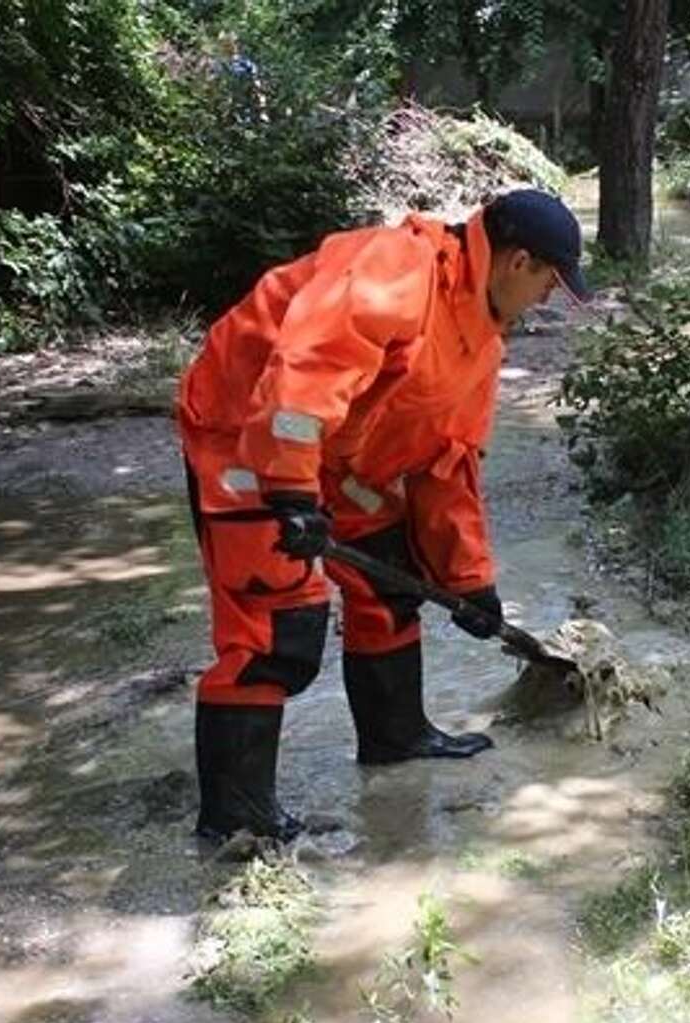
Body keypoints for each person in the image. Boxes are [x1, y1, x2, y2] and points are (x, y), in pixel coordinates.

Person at [174, 188, 588, 843]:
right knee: (279, 625)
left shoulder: (480, 342)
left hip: (336, 454)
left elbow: (446, 468)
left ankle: (396, 737)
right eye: (548, 284)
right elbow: (305, 371)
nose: (544, 301)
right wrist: (289, 489)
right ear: (518, 262)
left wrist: (468, 580)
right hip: (245, 428)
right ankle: (235, 816)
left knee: (392, 578)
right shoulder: (397, 268)